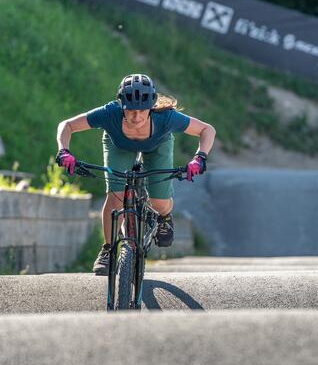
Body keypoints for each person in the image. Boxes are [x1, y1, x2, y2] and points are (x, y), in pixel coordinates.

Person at [55, 74, 216, 275]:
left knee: (158, 201)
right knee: (116, 198)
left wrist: (199, 157)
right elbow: (67, 125)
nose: (137, 117)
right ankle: (108, 250)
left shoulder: (166, 118)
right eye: (130, 110)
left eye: (142, 110)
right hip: (119, 145)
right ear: (121, 105)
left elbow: (206, 130)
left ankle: (165, 217)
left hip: (158, 145)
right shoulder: (109, 114)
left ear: (152, 106)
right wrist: (64, 150)